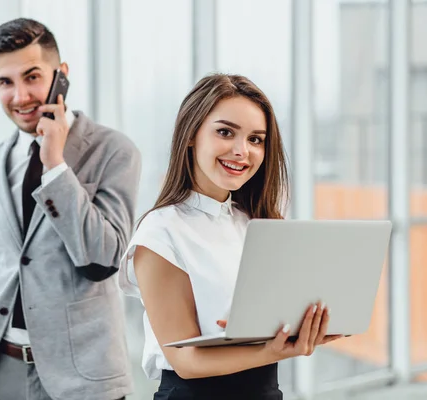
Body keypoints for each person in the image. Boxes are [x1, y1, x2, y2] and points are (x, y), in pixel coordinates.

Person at [0, 18, 140, 400]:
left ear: (61, 75)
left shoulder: (113, 151)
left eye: (32, 76)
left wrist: (55, 166)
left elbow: (102, 259)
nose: (20, 96)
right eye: (5, 82)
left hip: (82, 379)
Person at [119, 73, 342, 399]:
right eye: (226, 132)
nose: (242, 151)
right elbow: (185, 361)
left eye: (256, 139)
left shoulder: (256, 223)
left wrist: (303, 325)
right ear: (192, 134)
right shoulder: (160, 232)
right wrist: (278, 350)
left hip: (265, 390)